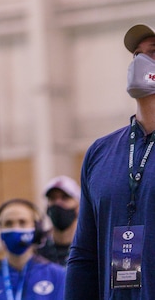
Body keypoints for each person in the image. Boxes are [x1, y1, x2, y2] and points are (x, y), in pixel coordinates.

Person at [65, 22, 155, 299]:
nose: (141, 62)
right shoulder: (101, 152)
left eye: (153, 52)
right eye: (136, 55)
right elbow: (83, 255)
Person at [0, 198, 66, 300]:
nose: (15, 228)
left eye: (22, 222)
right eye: (8, 223)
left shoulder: (57, 275)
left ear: (36, 228)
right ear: (0, 231)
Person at [40, 175, 80, 266]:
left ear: (78, 206)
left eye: (65, 198)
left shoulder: (89, 245)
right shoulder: (38, 246)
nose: (58, 203)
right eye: (52, 198)